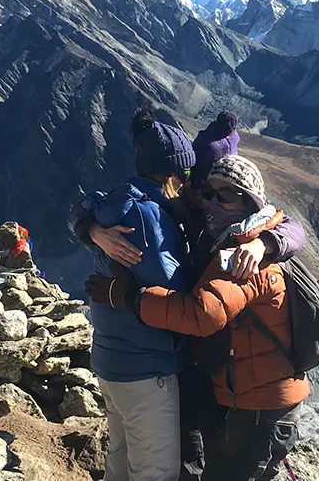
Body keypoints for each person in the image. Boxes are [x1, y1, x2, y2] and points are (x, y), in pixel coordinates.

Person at [75, 111, 306, 480]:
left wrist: (128, 297)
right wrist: (89, 228)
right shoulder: (199, 221)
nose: (204, 197)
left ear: (248, 202)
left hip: (253, 395)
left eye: (222, 194)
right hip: (217, 378)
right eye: (202, 187)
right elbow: (94, 202)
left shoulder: (245, 251)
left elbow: (202, 314)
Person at [70, 105, 195, 481]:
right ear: (172, 173)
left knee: (121, 459)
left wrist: (89, 229)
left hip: (111, 360)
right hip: (146, 369)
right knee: (154, 472)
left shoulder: (115, 203)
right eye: (187, 174)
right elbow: (172, 294)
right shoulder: (150, 217)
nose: (189, 184)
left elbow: (81, 205)